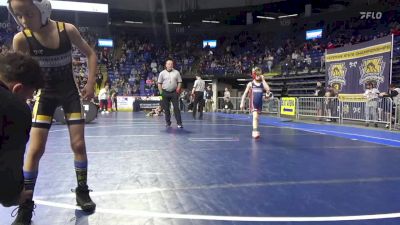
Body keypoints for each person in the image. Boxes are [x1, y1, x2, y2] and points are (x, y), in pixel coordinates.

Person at [8, 0, 97, 223]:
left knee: (78, 145)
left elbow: (91, 54)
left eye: (28, 14)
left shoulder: (66, 29)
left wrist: (90, 82)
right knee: (35, 150)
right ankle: (25, 204)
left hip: (69, 94)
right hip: (44, 95)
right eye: (18, 16)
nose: (24, 21)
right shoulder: (21, 39)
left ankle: (82, 190)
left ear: (43, 9)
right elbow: (18, 72)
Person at [0, 52, 43, 207]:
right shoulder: (16, 109)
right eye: (26, 97)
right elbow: (8, 163)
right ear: (17, 89)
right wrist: (14, 196)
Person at [240, 67, 270, 138]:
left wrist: (263, 79)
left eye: (259, 75)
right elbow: (244, 94)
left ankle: (255, 130)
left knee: (257, 118)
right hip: (253, 103)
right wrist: (242, 102)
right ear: (254, 75)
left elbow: (268, 89)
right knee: (255, 117)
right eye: (256, 74)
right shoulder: (251, 84)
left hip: (259, 103)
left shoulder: (262, 83)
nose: (257, 76)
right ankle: (254, 131)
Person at [158, 59, 183, 128]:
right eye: (168, 64)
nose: (170, 65)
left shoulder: (176, 72)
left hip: (174, 92)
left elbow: (180, 82)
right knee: (166, 109)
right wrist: (161, 93)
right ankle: (168, 123)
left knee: (176, 108)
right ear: (166, 65)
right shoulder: (162, 73)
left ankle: (179, 123)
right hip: (165, 92)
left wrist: (178, 89)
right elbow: (159, 83)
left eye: (171, 64)